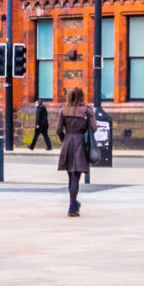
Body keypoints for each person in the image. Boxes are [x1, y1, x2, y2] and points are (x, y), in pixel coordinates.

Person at [56, 88, 95, 217]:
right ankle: (72, 207)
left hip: (67, 142)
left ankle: (74, 203)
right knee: (75, 177)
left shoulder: (64, 110)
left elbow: (58, 130)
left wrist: (64, 140)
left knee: (70, 176)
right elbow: (94, 128)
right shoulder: (87, 110)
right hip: (80, 143)